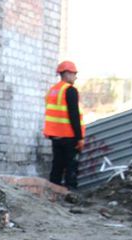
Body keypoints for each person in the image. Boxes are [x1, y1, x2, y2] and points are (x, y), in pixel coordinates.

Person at [43, 60, 86, 190]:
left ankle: (53, 192)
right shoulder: (70, 90)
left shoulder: (52, 90)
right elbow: (74, 116)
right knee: (71, 166)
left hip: (55, 136)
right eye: (74, 74)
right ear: (66, 74)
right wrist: (79, 137)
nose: (75, 77)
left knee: (57, 166)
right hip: (68, 135)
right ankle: (70, 194)